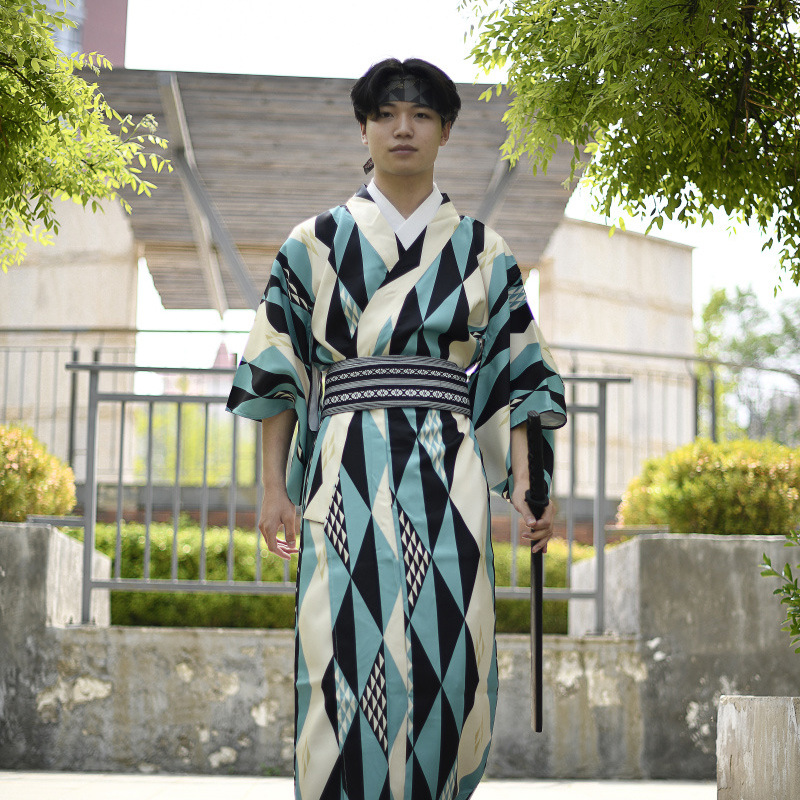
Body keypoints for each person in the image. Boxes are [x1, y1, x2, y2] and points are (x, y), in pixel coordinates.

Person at [226, 57, 566, 800]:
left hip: (448, 471)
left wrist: (530, 485)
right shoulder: (312, 243)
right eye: (385, 114)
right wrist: (274, 489)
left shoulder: (483, 249)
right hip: (344, 468)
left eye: (420, 114)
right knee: (342, 648)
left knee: (451, 646)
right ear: (364, 129)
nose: (402, 128)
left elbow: (519, 371)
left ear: (445, 130)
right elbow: (278, 369)